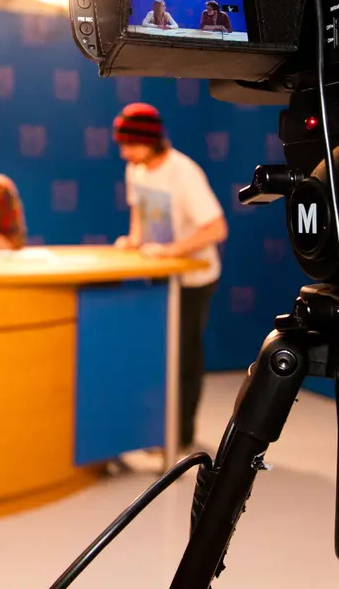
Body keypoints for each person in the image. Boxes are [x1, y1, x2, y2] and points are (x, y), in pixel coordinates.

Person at [113, 102, 227, 449]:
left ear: (149, 141)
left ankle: (180, 434)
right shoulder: (138, 169)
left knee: (183, 356)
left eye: (130, 144)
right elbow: (139, 209)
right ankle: (157, 429)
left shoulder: (183, 173)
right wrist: (135, 239)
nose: (124, 153)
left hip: (194, 279)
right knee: (157, 355)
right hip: (162, 276)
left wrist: (173, 250)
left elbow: (217, 228)